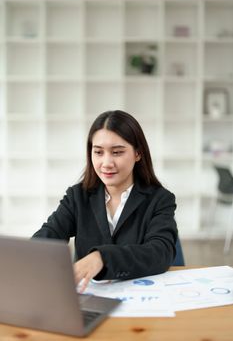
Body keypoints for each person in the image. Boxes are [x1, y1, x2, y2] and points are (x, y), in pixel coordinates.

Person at [32, 110, 178, 292]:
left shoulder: (160, 199)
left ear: (138, 153)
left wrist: (102, 258)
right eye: (98, 152)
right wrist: (28, 256)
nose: (106, 162)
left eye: (117, 152)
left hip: (142, 298)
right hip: (90, 299)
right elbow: (49, 235)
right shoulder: (78, 196)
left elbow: (160, 253)